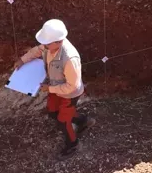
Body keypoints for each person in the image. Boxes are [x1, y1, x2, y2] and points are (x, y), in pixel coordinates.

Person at [13, 19, 94, 158]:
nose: (43, 45)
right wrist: (23, 59)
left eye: (47, 43)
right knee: (53, 113)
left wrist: (50, 89)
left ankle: (73, 144)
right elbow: (38, 50)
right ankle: (82, 120)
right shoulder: (49, 45)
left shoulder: (69, 59)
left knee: (63, 121)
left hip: (69, 94)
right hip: (55, 87)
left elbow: (72, 86)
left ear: (59, 41)